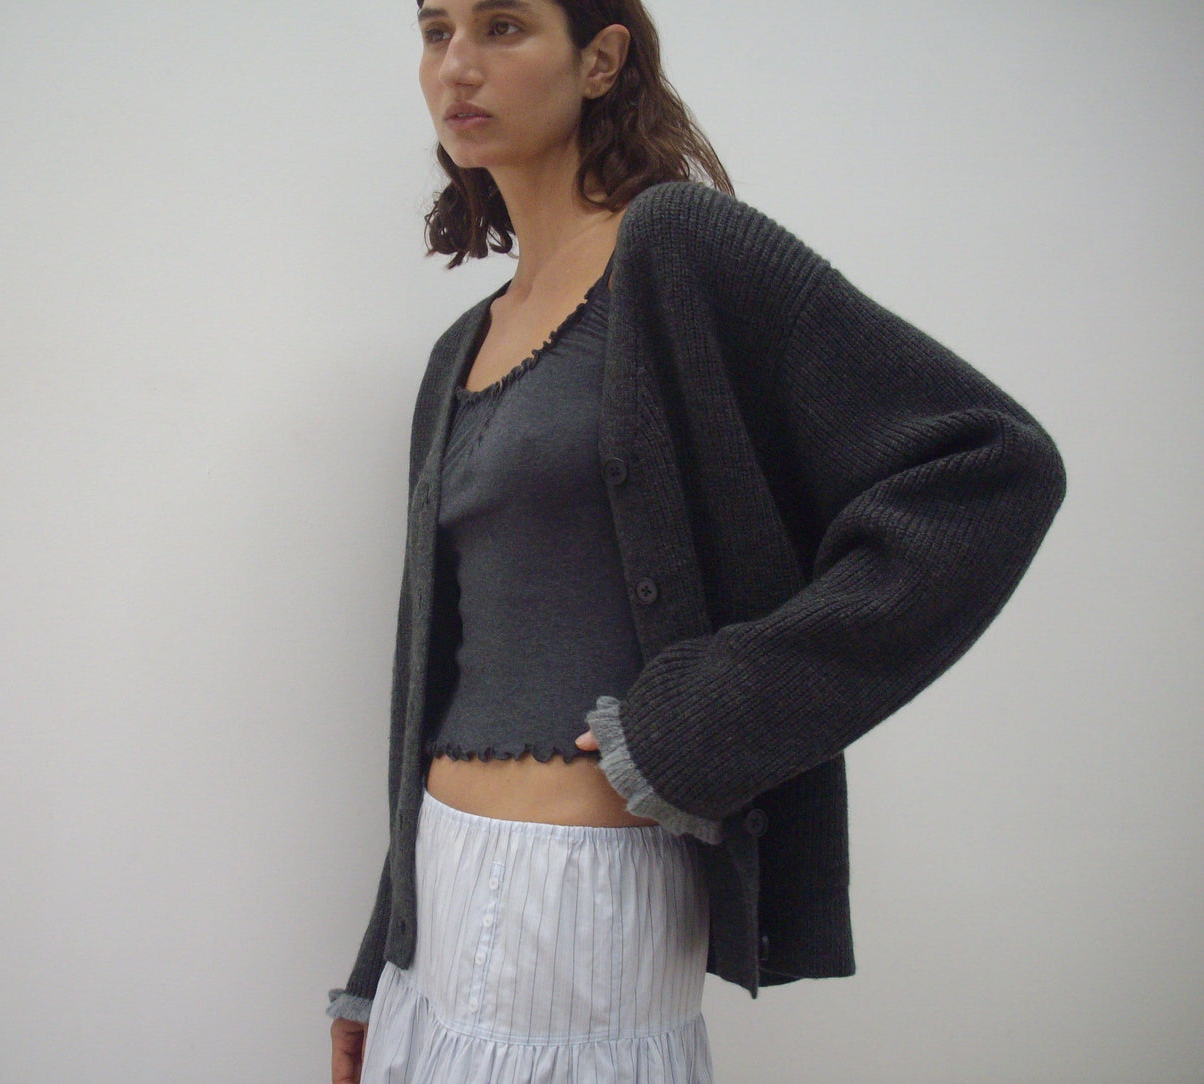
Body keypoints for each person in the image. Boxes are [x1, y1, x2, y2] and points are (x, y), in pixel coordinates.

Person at [328, 1, 1065, 1081]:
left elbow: (990, 468)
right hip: (437, 892)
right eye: (436, 32)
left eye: (502, 27)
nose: (457, 67)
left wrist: (702, 723)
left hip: (587, 899)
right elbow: (432, 683)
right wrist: (374, 956)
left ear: (600, 57)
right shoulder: (460, 348)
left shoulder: (677, 245)